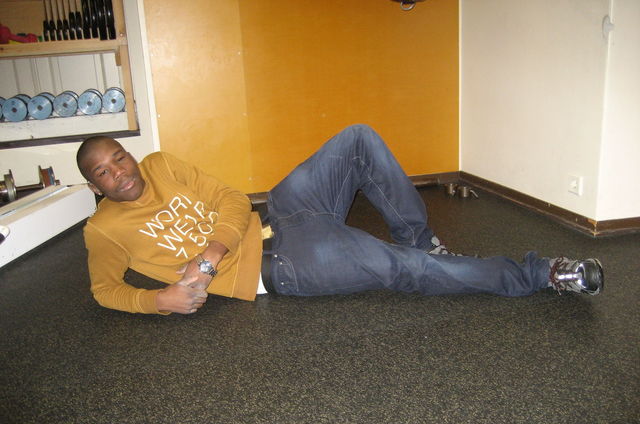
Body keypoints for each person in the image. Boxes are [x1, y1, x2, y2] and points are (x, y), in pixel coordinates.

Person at [76, 124, 604, 315]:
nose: (119, 172)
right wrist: (158, 300)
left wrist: (211, 253)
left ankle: (424, 240)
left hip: (280, 213)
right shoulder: (102, 230)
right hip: (279, 265)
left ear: (129, 153)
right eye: (104, 172)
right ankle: (541, 274)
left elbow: (232, 200)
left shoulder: (161, 164)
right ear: (96, 187)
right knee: (402, 270)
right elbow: (104, 290)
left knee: (357, 138)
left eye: (119, 157)